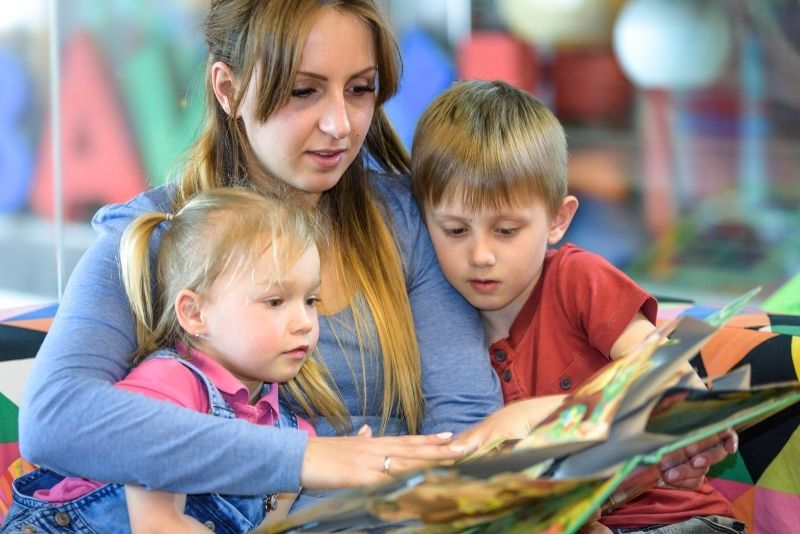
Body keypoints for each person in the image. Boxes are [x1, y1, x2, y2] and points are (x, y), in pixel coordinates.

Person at [18, 0, 502, 514]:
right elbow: (54, 418)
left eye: (360, 89)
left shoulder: (405, 219)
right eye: (303, 90)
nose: (340, 124)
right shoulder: (156, 234)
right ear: (227, 89)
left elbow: (464, 426)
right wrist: (306, 458)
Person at [411, 80, 745, 533]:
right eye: (454, 230)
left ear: (557, 220)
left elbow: (671, 380)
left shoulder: (576, 279)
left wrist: (534, 415)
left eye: (506, 231)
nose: (480, 255)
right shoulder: (439, 323)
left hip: (680, 521)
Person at [6, 188, 337, 533]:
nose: (304, 323)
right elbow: (158, 525)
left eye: (311, 300)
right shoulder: (170, 385)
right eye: (275, 302)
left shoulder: (294, 433)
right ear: (195, 314)